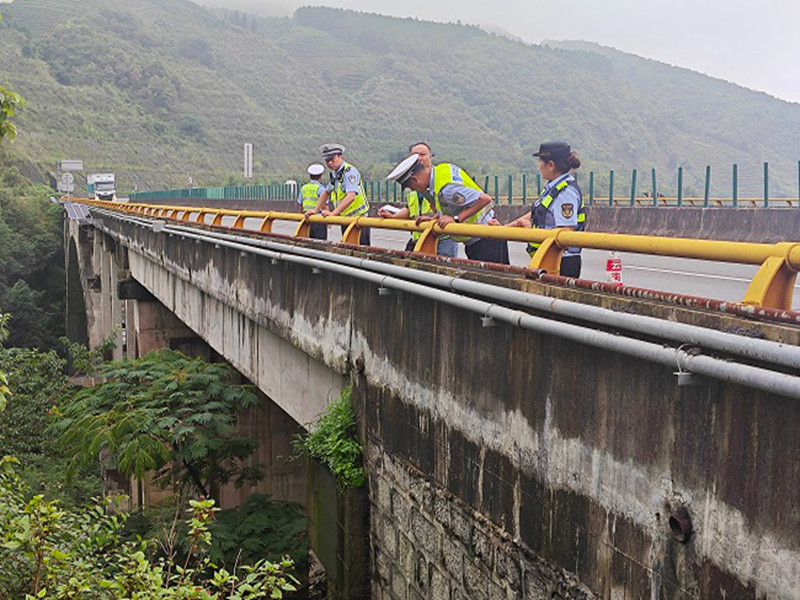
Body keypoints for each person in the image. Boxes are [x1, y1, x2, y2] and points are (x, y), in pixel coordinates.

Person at [387, 154, 509, 264]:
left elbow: (484, 199)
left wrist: (455, 219)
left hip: (486, 239)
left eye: (411, 187)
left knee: (493, 284)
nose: (414, 190)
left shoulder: (446, 189)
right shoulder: (441, 172)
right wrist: (433, 218)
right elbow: (449, 207)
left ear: (415, 179)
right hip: (478, 238)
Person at [506, 141, 585, 277]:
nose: (539, 166)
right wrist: (504, 229)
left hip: (560, 261)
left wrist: (531, 231)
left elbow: (566, 231)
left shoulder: (566, 192)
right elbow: (536, 212)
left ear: (550, 165)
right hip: (549, 258)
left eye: (540, 161)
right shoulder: (553, 187)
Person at [378, 142, 456, 257]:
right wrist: (393, 216)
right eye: (415, 155)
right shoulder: (411, 181)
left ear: (430, 156)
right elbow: (410, 208)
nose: (419, 158)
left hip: (442, 235)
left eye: (423, 154)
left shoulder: (440, 178)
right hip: (420, 235)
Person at [307, 143, 370, 245]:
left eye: (332, 159)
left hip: (359, 220)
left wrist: (333, 213)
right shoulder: (335, 174)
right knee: (348, 250)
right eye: (327, 161)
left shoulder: (349, 172)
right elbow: (326, 192)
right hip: (345, 219)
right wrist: (315, 210)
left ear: (340, 156)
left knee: (361, 252)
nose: (330, 163)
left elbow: (351, 196)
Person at [298, 163, 328, 240]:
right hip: (318, 220)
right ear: (320, 176)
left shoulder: (303, 188)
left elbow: (300, 205)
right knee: (320, 244)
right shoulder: (321, 189)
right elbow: (325, 206)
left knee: (307, 243)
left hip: (307, 219)